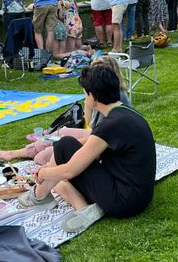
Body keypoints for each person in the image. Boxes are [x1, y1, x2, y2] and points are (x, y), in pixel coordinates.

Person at [16, 65, 156, 234]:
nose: (84, 98)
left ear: (93, 96)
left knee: (63, 171)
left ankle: (44, 196)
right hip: (137, 193)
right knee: (64, 145)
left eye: (84, 93)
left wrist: (43, 173)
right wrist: (52, 166)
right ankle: (42, 195)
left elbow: (69, 171)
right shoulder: (124, 113)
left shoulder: (111, 124)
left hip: (125, 201)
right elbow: (87, 144)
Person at [0, 56, 131, 165]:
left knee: (47, 154)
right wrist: (88, 105)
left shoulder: (114, 102)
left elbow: (99, 137)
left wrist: (66, 144)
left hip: (100, 143)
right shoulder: (97, 95)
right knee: (59, 134)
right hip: (95, 135)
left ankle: (40, 156)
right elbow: (88, 124)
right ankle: (12, 153)